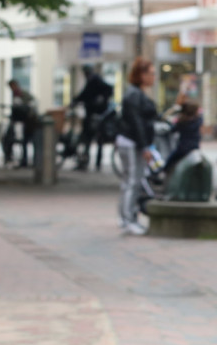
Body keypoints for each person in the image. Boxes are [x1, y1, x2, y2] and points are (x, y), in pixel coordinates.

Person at [115, 58, 158, 235]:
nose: (154, 77)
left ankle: (126, 217)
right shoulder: (134, 95)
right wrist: (145, 146)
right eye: (152, 73)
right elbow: (137, 123)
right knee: (133, 180)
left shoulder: (137, 93)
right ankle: (128, 219)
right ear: (142, 75)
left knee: (130, 180)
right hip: (132, 143)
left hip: (132, 142)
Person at [72, 66, 115, 169]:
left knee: (89, 138)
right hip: (93, 114)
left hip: (95, 115)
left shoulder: (94, 80)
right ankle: (91, 161)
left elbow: (84, 94)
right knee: (92, 139)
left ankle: (90, 161)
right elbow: (84, 95)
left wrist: (100, 100)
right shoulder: (92, 80)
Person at [2, 80, 37, 168]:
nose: (12, 88)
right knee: (14, 140)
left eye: (12, 86)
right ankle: (17, 159)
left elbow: (30, 105)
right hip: (19, 121)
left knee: (26, 141)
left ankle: (26, 160)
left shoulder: (22, 94)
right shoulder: (15, 94)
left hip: (27, 122)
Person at [163, 98, 202, 174]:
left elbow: (172, 129)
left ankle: (163, 172)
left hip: (182, 148)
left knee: (170, 160)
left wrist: (175, 110)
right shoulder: (198, 120)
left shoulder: (181, 122)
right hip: (194, 147)